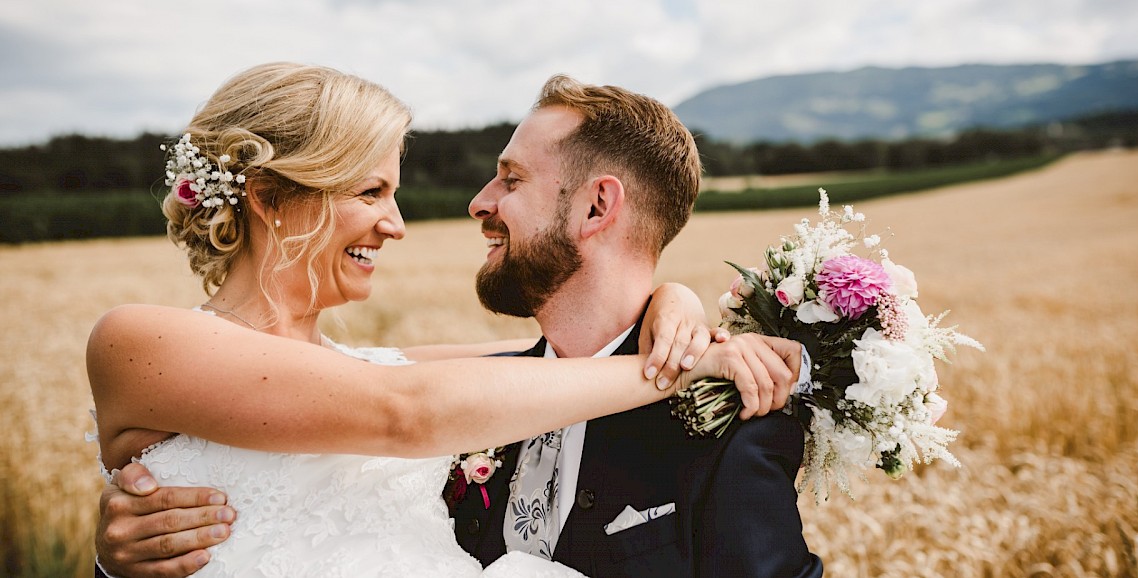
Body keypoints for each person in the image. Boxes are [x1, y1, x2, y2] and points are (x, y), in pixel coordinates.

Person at [87, 63, 804, 577]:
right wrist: (112, 564)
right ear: (273, 199)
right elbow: (409, 413)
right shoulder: (137, 340)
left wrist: (670, 304)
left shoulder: (381, 370)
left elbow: (542, 359)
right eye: (372, 190)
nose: (397, 225)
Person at [444, 75, 826, 576]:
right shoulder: (475, 393)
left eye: (512, 179)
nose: (479, 202)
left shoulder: (728, 433)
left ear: (597, 206)